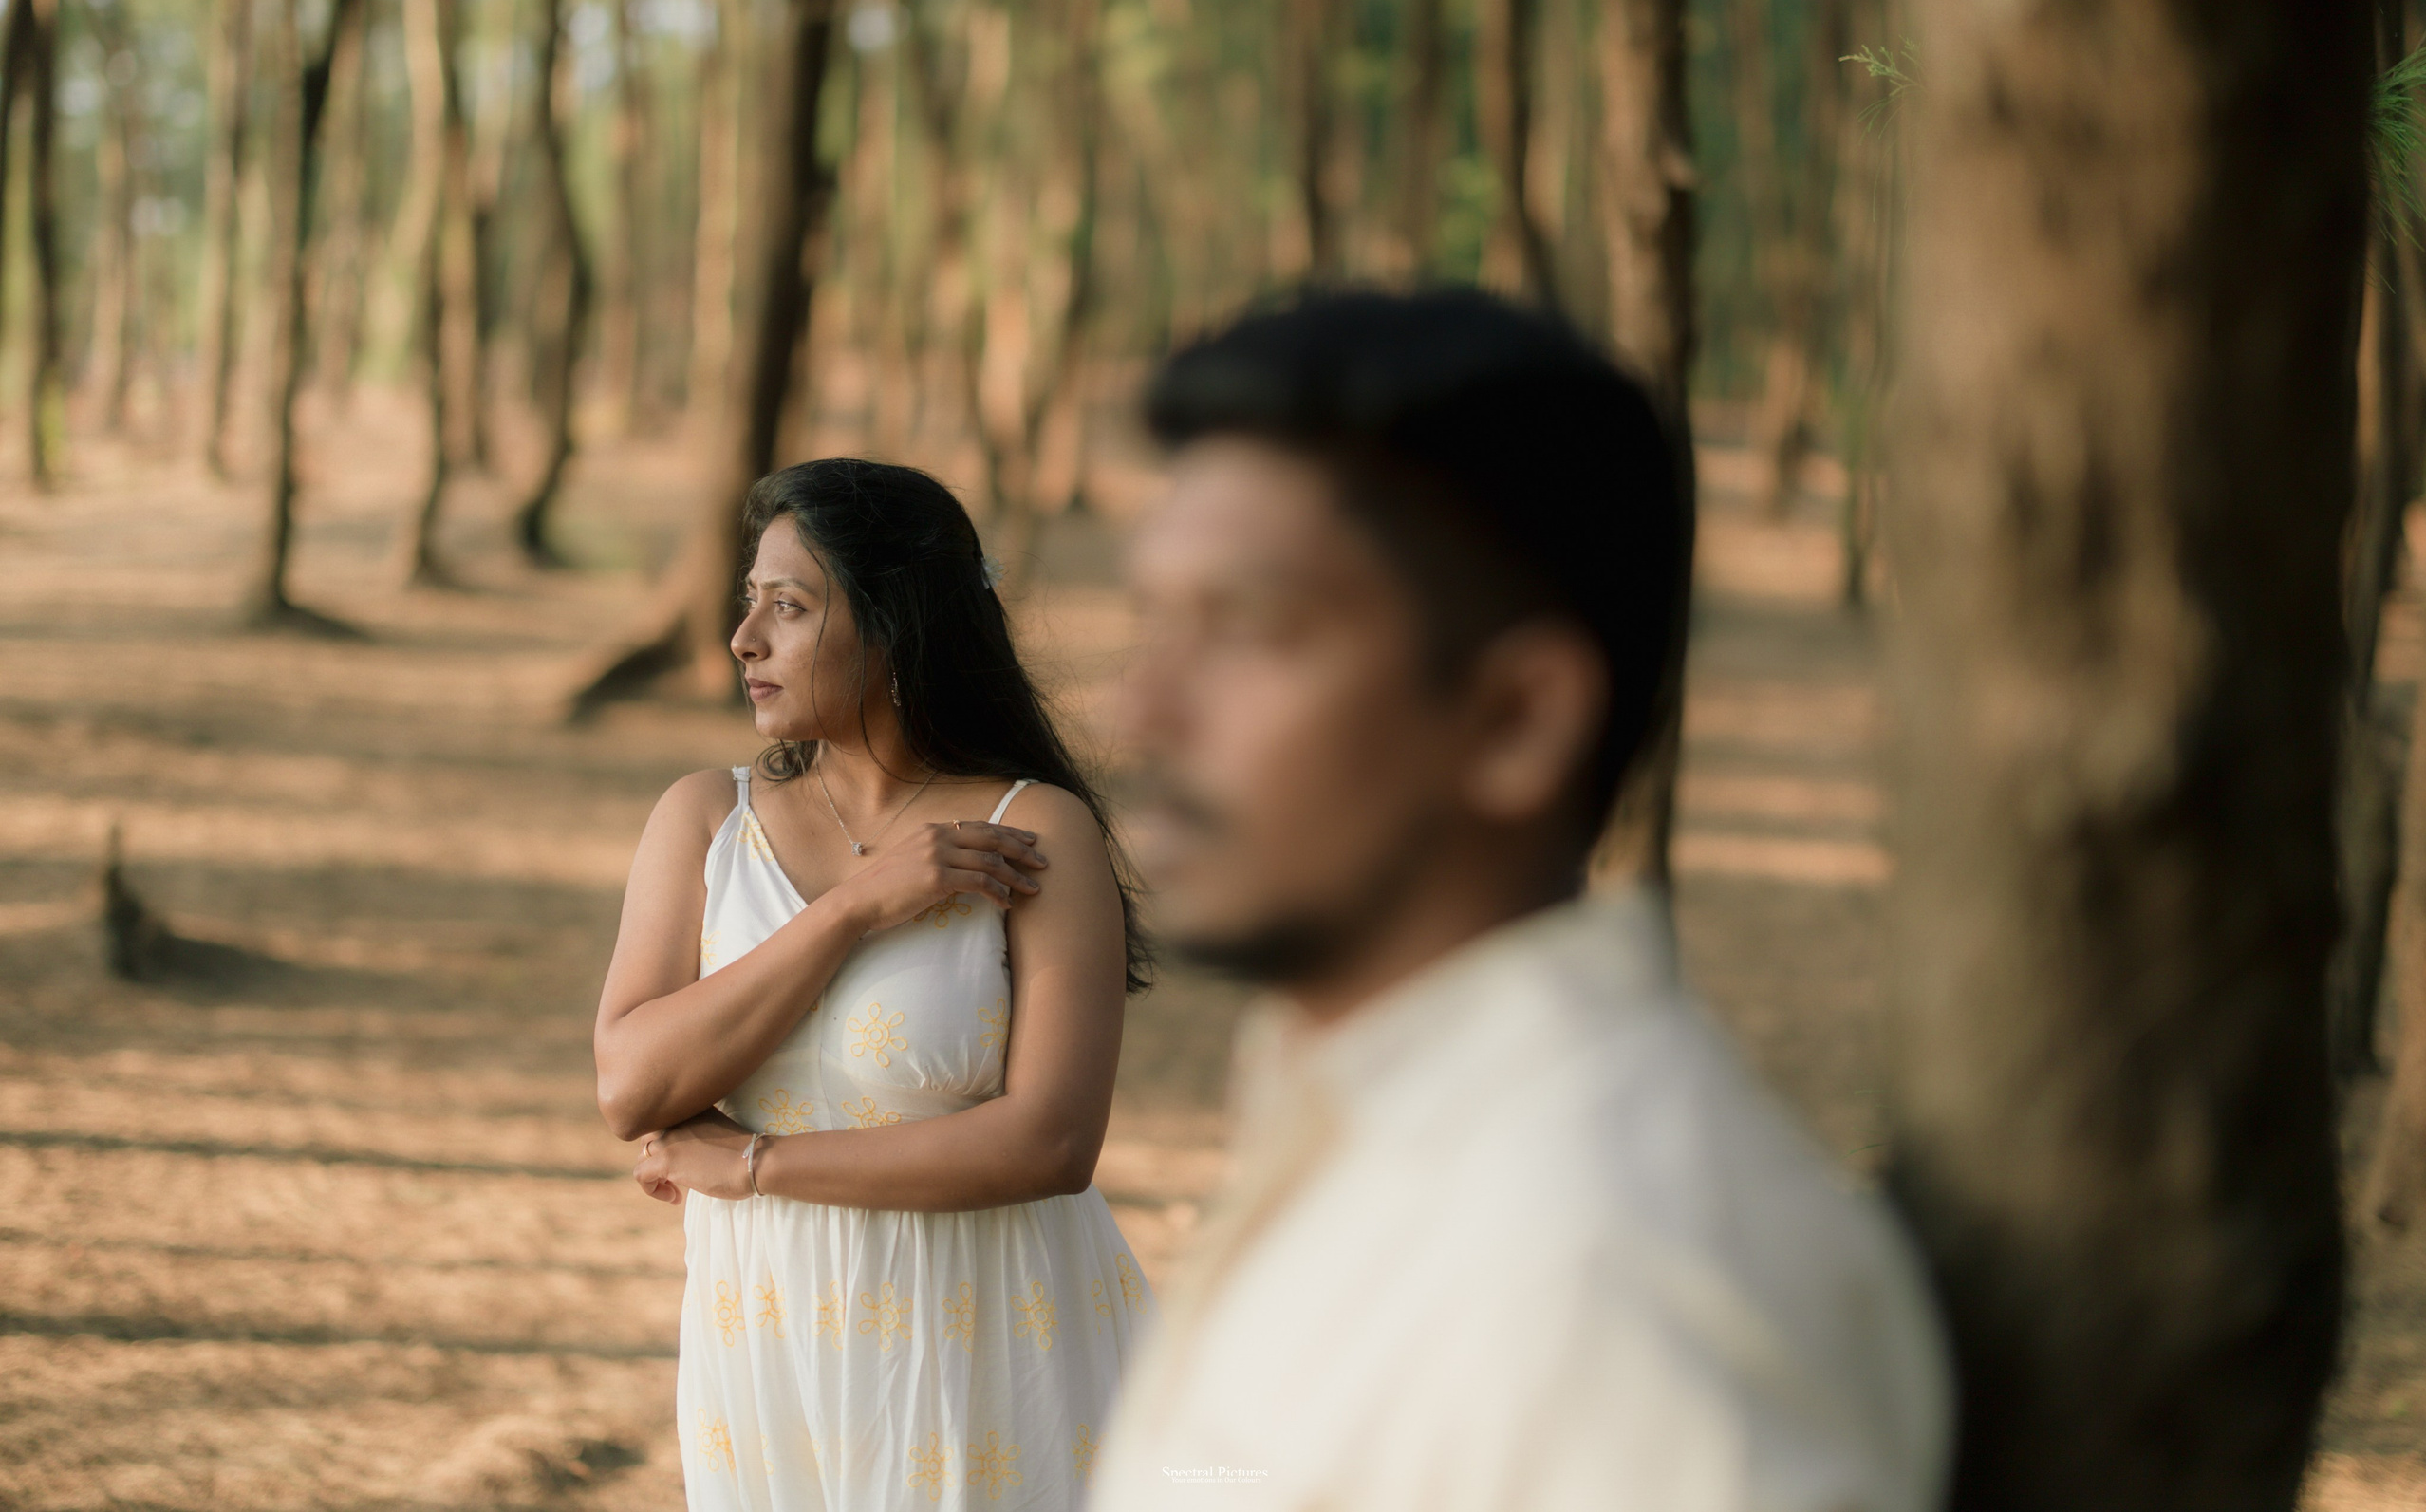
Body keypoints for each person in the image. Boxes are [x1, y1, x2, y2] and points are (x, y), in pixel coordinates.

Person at [1085, 289, 1950, 1510]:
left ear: (1517, 719)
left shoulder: (1617, 1275)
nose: (1142, 707)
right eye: (1153, 619)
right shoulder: (1377, 1122)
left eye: (1250, 626)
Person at [594, 457, 1159, 1511]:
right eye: (747, 601)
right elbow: (630, 1084)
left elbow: (1050, 1142)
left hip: (988, 1342)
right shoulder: (701, 821)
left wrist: (754, 1160)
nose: (744, 639)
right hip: (766, 1345)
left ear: (895, 625)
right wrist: (855, 907)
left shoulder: (1033, 833)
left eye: (790, 606)